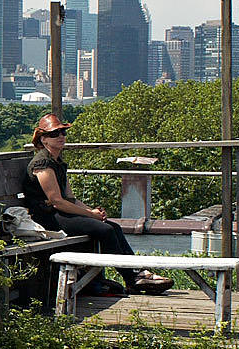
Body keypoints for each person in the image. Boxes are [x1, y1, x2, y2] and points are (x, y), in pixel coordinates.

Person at [22, 113, 173, 294]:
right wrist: (90, 215)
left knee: (113, 227)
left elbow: (70, 198)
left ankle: (136, 273)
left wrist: (91, 210)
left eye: (63, 132)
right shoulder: (42, 163)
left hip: (59, 213)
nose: (61, 137)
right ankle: (132, 277)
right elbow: (57, 202)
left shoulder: (58, 162)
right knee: (105, 230)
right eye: (55, 134)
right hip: (46, 217)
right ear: (43, 139)